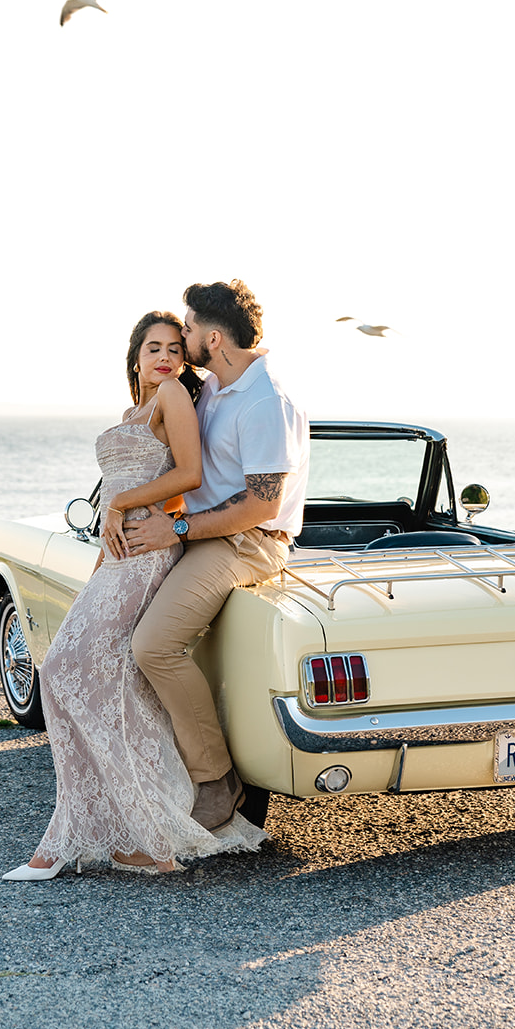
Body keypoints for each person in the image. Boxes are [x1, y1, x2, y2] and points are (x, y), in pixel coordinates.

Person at [2, 310, 266, 880]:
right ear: (136, 356)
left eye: (175, 348)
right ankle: (129, 828)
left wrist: (120, 508)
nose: (167, 358)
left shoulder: (173, 396)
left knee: (63, 670)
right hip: (117, 558)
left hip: (149, 555)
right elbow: (126, 490)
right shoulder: (134, 412)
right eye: (154, 349)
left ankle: (87, 833)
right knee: (105, 679)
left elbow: (190, 476)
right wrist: (105, 536)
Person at [124, 280, 310, 830]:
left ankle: (216, 780)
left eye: (185, 329)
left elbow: (260, 505)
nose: (179, 338)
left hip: (247, 542)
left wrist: (175, 529)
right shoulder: (211, 387)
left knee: (153, 646)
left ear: (212, 337)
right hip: (202, 532)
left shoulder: (265, 403)